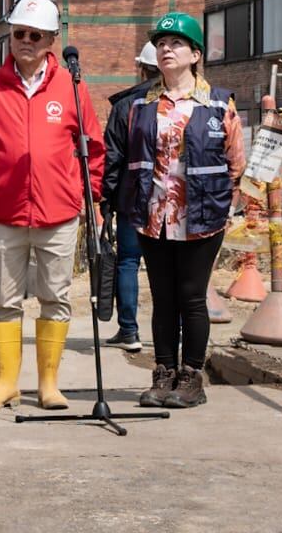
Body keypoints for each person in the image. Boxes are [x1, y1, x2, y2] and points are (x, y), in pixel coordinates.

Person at [0, 0, 104, 411]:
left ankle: (48, 384)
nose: (25, 41)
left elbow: (93, 149)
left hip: (58, 214)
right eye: (19, 33)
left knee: (55, 298)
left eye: (35, 35)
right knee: (5, 301)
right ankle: (6, 383)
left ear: (51, 40)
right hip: (4, 214)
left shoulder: (72, 87)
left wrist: (89, 196)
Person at [123, 13, 245, 410]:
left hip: (202, 216)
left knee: (191, 297)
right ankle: (163, 373)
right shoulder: (141, 105)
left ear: (195, 54)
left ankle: (191, 377)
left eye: (176, 43)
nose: (166, 49)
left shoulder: (219, 104)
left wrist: (227, 207)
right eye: (160, 44)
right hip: (153, 215)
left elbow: (236, 163)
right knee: (162, 298)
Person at [98, 41, 160, 354]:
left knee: (128, 261)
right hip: (170, 202)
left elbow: (112, 157)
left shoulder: (126, 106)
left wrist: (106, 199)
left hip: (131, 199)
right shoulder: (182, 102)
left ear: (142, 69)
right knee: (168, 267)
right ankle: (173, 332)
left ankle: (129, 331)